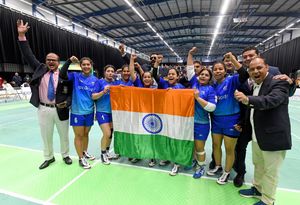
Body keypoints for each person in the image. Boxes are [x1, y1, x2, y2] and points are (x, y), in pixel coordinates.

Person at [235, 57, 291, 205]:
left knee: (271, 171)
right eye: (252, 69)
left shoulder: (278, 82)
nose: (255, 71)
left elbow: (271, 100)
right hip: (257, 135)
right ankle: (258, 189)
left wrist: (248, 99)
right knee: (258, 165)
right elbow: (253, 112)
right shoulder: (255, 84)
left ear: (267, 67)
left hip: (273, 136)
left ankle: (268, 200)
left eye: (259, 67)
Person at [17, 19, 72, 169]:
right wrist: (22, 36)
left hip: (60, 109)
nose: (51, 62)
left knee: (64, 135)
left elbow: (70, 93)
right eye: (49, 60)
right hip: (43, 109)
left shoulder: (63, 74)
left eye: (54, 60)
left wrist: (67, 103)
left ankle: (65, 155)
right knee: (46, 136)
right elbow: (28, 55)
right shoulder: (40, 68)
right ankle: (49, 157)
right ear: (45, 61)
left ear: (58, 61)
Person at [206, 57, 245, 185]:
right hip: (216, 120)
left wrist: (233, 60)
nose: (217, 71)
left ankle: (227, 172)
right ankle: (218, 166)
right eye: (215, 69)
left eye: (220, 69)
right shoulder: (213, 86)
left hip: (231, 119)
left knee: (229, 149)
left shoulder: (232, 80)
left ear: (225, 70)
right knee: (216, 145)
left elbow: (243, 74)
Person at [60, 56, 98, 169]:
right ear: (80, 66)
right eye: (84, 64)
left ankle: (84, 152)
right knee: (79, 135)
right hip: (77, 112)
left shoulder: (95, 80)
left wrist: (95, 111)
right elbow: (62, 74)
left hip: (90, 111)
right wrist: (69, 61)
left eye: (88, 64)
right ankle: (81, 158)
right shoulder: (75, 76)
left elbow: (95, 97)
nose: (86, 66)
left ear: (91, 66)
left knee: (86, 134)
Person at [186, 47, 217, 179]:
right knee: (191, 144)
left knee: (200, 147)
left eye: (206, 75)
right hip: (189, 122)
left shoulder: (210, 90)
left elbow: (211, 108)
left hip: (202, 124)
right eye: (201, 74)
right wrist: (190, 54)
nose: (203, 76)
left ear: (210, 78)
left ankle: (201, 166)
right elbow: (189, 68)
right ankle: (194, 161)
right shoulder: (194, 83)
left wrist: (198, 98)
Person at [152, 57, 185, 175]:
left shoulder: (181, 88)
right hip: (164, 117)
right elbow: (155, 75)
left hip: (177, 118)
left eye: (173, 74)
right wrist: (156, 63)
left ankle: (176, 162)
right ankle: (166, 157)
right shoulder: (163, 84)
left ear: (177, 76)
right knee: (165, 138)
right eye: (169, 74)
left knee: (175, 140)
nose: (171, 76)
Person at [92, 65, 119, 165]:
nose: (110, 73)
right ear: (104, 72)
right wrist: (103, 91)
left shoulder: (115, 83)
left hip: (113, 112)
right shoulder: (99, 82)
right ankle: (103, 154)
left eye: (112, 71)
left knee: (110, 134)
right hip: (102, 112)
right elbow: (93, 96)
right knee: (107, 133)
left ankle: (107, 151)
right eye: (108, 71)